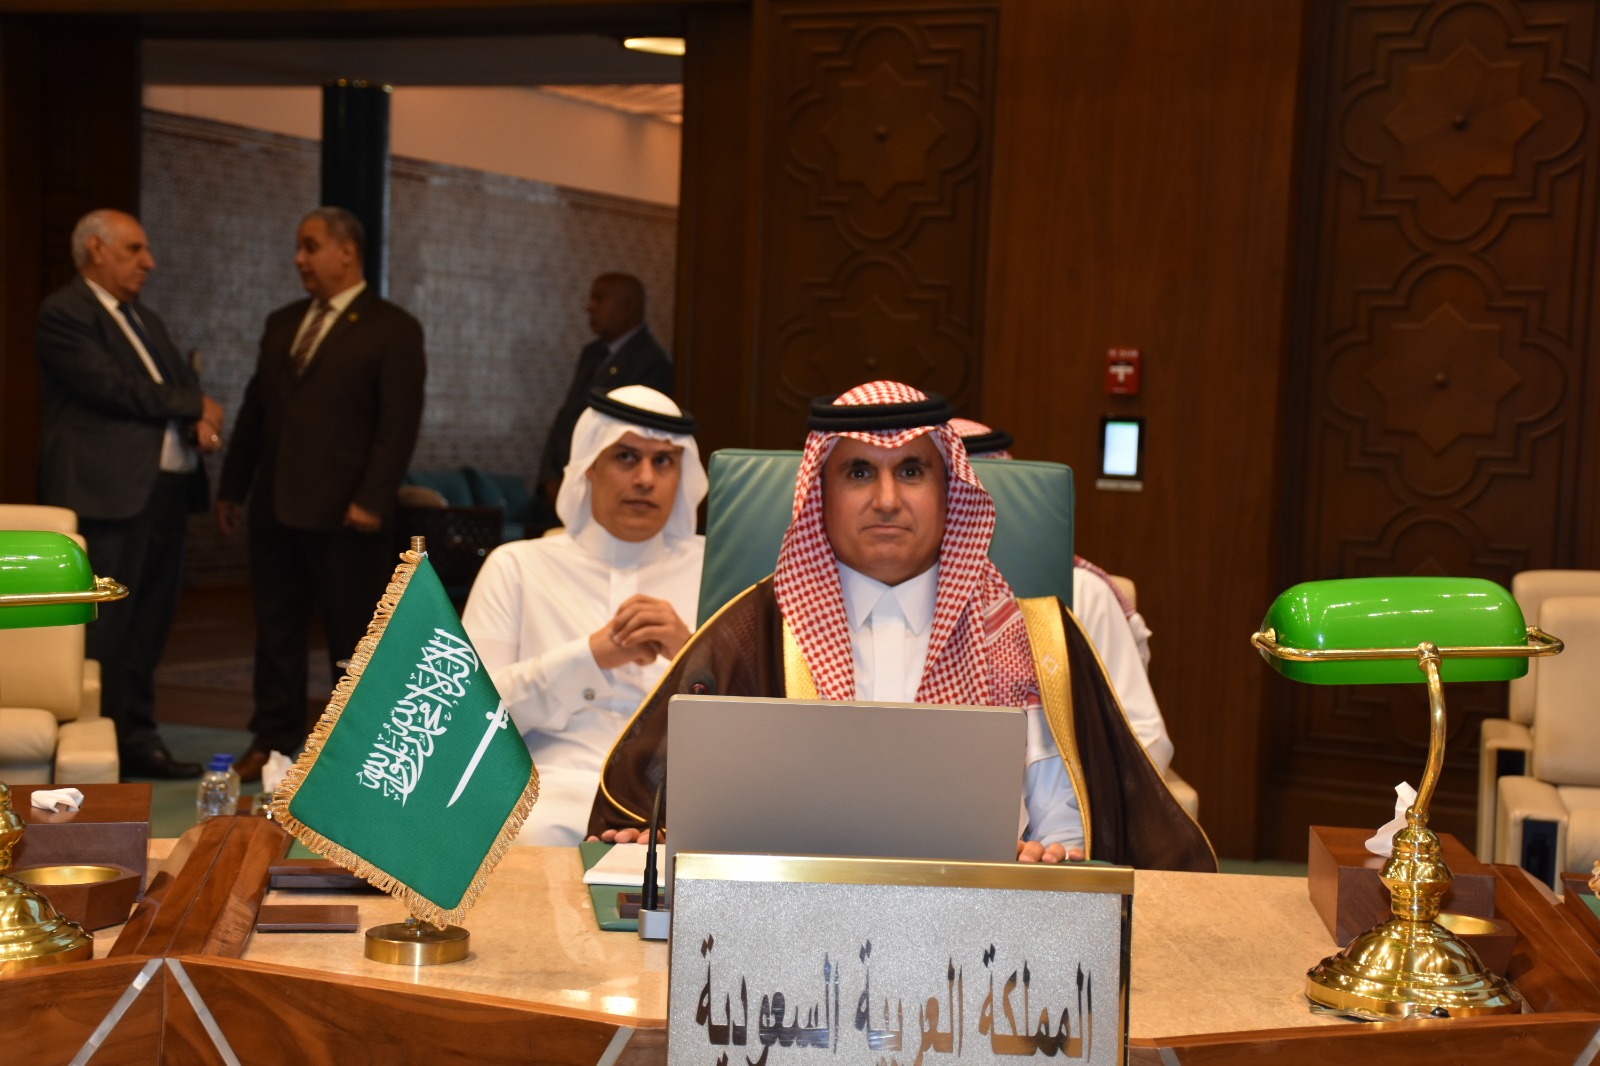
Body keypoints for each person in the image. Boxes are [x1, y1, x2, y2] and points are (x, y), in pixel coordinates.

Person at [588, 381, 1213, 871]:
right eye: (859, 472)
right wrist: (652, 837)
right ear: (821, 494)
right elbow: (658, 810)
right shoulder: (754, 631)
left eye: (911, 471)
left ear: (948, 490)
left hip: (988, 928)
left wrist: (1050, 860)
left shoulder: (1031, 637)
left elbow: (1074, 826)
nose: (887, 499)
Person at [216, 207, 426, 783]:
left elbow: (398, 425)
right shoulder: (283, 322)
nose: (299, 259)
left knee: (352, 639)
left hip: (348, 517)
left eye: (310, 246)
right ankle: (272, 739)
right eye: (298, 247)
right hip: (275, 508)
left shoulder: (393, 328)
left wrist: (372, 499)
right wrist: (233, 486)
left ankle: (352, 752)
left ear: (346, 251)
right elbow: (257, 411)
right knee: (276, 634)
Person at [462, 386, 705, 844]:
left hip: (684, 801)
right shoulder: (516, 567)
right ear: (590, 466)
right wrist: (590, 658)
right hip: (548, 799)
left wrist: (692, 653)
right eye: (626, 457)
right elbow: (468, 719)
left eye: (663, 461)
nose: (646, 479)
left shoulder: (716, 570)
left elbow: (763, 721)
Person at [35, 209, 225, 780]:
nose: (149, 262)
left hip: (164, 492)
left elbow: (178, 384)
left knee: (149, 626)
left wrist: (196, 415)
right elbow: (112, 388)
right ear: (96, 249)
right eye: (134, 249)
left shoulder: (143, 318)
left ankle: (137, 737)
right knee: (105, 627)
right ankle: (93, 743)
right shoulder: (65, 312)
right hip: (107, 495)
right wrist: (194, 407)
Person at [532, 273, 672, 531]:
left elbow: (629, 436)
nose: (590, 307)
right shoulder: (592, 354)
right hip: (564, 488)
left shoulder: (650, 360)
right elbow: (567, 417)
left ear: (629, 306)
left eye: (599, 298)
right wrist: (549, 477)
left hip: (600, 493)